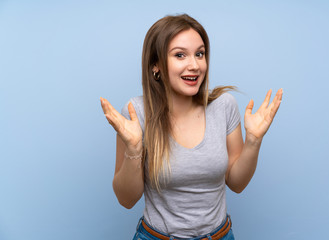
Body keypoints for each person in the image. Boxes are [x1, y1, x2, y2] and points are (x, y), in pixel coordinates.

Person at [100, 14, 283, 240]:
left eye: (200, 54)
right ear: (155, 65)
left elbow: (236, 183)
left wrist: (254, 141)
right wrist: (134, 149)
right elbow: (126, 199)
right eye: (180, 55)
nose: (194, 65)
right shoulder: (136, 113)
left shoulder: (224, 106)